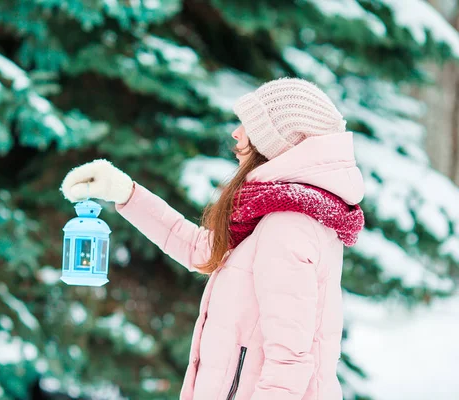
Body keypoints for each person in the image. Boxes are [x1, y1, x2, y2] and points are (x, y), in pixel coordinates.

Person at [60, 78, 365, 400]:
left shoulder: (287, 226)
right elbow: (202, 250)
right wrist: (125, 193)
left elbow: (289, 360)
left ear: (276, 141)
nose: (236, 133)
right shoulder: (271, 213)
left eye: (248, 125)